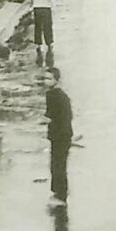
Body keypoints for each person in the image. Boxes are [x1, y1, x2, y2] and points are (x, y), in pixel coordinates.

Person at [44, 67, 73, 206]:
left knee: (59, 164)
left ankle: (61, 193)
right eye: (45, 78)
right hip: (59, 134)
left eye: (49, 78)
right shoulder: (54, 94)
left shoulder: (57, 96)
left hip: (60, 134)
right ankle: (58, 190)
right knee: (57, 163)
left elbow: (59, 116)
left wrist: (50, 121)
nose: (46, 81)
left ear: (57, 80)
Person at [26, 0, 56, 67]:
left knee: (38, 27)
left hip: (37, 7)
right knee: (48, 26)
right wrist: (53, 7)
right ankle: (49, 43)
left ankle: (38, 44)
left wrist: (30, 6)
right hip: (46, 7)